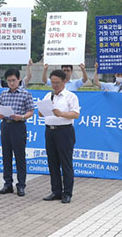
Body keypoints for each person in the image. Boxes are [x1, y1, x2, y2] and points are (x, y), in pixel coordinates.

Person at [40, 69, 80, 204]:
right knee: (53, 162)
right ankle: (56, 191)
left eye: (57, 83)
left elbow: (75, 114)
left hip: (64, 131)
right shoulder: (48, 96)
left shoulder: (70, 96)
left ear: (65, 81)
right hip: (50, 131)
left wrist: (61, 114)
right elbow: (41, 114)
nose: (55, 85)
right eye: (53, 82)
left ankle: (67, 193)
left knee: (65, 162)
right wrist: (43, 111)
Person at [0, 68, 35, 197]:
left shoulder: (25, 94)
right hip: (6, 126)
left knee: (20, 157)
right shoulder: (3, 94)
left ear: (19, 79)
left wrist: (22, 117)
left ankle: (21, 185)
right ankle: (7, 184)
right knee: (6, 156)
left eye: (13, 80)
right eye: (9, 81)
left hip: (18, 126)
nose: (11, 83)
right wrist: (0, 115)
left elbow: (31, 111)